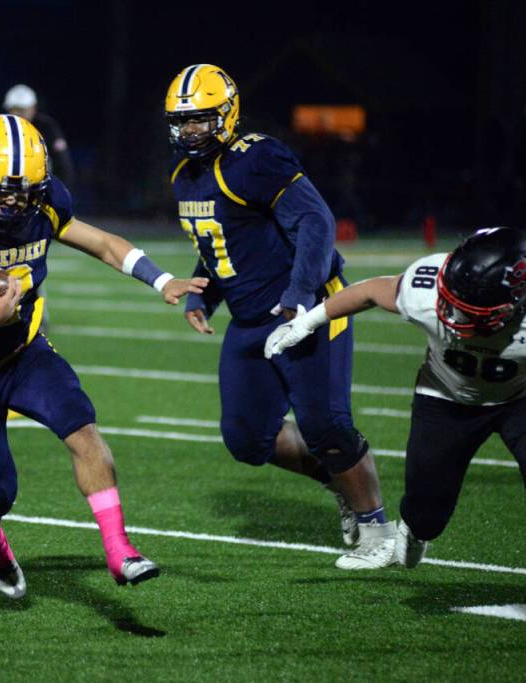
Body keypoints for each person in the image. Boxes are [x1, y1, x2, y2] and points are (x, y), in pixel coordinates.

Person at [0, 113, 207, 597]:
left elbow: (105, 244)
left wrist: (161, 280)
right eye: (1, 192)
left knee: (84, 431)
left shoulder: (46, 205)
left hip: (25, 352)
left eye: (24, 192)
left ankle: (121, 551)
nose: (13, 202)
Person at [165, 63, 394, 569]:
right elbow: (222, 242)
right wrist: (204, 294)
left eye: (200, 118)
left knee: (325, 426)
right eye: (182, 121)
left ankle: (379, 529)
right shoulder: (185, 175)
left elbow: (316, 220)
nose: (190, 130)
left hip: (306, 308)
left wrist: (301, 292)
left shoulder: (256, 157)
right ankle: (341, 484)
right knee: (246, 438)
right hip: (250, 318)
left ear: (227, 114)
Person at [265, 227, 526, 567]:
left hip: (524, 395)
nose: (450, 313)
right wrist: (308, 322)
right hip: (444, 395)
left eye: (468, 309)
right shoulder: (426, 287)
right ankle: (414, 530)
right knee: (426, 514)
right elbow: (370, 292)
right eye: (449, 298)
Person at [3, 84, 75, 188]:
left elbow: (63, 165)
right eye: (15, 109)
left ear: (33, 107)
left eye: (23, 109)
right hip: (6, 187)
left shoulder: (48, 127)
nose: (19, 114)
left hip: (42, 188)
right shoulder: (0, 128)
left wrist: (58, 190)